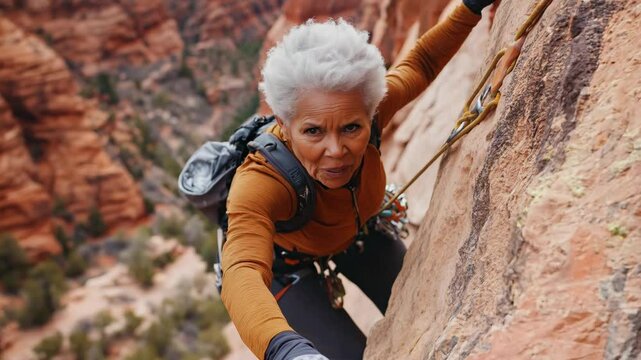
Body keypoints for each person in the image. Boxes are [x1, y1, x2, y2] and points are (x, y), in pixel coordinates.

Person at [222, 0, 494, 359]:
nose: (336, 150)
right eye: (313, 131)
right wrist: (283, 348)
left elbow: (421, 62)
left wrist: (470, 7)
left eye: (352, 128)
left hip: (357, 233)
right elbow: (242, 269)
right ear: (285, 126)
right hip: (287, 269)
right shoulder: (261, 179)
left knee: (425, 309)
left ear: (370, 114)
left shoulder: (370, 108)